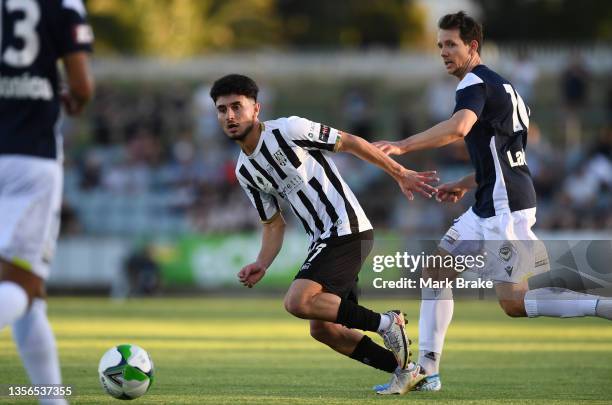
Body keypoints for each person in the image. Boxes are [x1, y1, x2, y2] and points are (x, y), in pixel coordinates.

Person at [373, 11, 612, 394]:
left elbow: (458, 129)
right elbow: (507, 156)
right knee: (436, 271)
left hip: (504, 210)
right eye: (440, 46)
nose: (444, 53)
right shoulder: (506, 88)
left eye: (451, 44)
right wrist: (470, 183)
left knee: (514, 303)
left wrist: (402, 145)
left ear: (473, 47)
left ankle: (603, 306)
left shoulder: (473, 82)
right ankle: (427, 370)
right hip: (492, 200)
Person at [210, 74, 439, 392]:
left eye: (237, 107)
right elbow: (273, 224)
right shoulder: (245, 170)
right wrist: (262, 263)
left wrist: (400, 173)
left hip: (346, 228)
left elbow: (351, 142)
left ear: (256, 109)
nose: (230, 116)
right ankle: (408, 371)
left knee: (297, 302)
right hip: (324, 239)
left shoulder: (289, 130)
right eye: (222, 110)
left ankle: (388, 323)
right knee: (324, 330)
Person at [0, 1, 94, 404]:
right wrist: (75, 100)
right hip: (30, 158)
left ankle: (52, 399)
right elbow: (82, 85)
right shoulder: (63, 2)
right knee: (23, 282)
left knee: (31, 297)